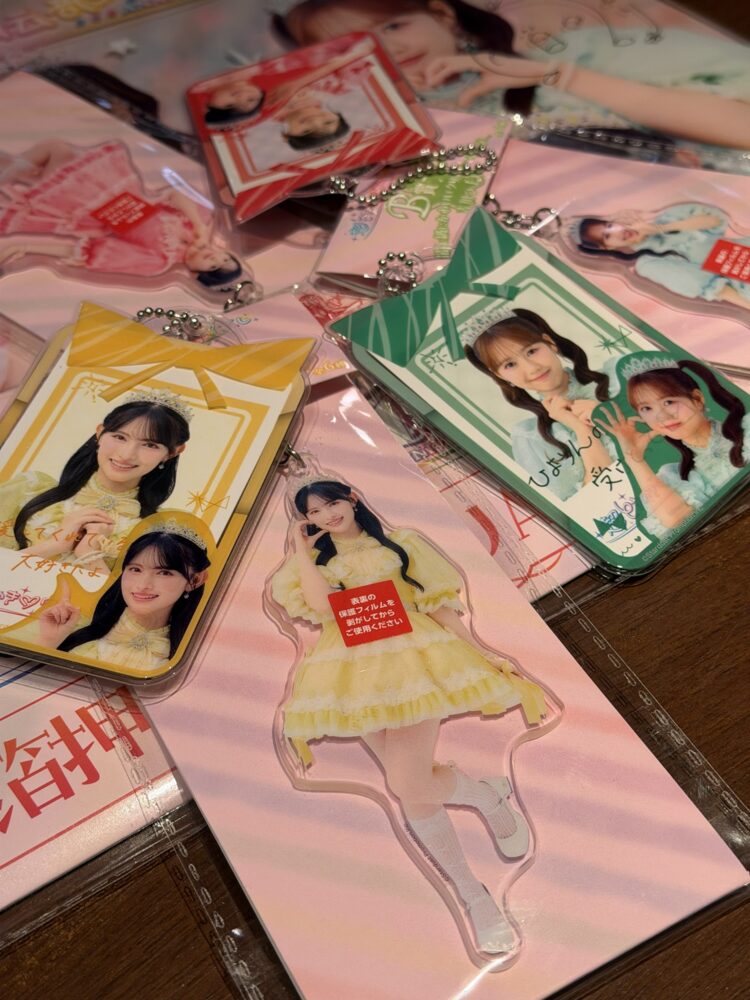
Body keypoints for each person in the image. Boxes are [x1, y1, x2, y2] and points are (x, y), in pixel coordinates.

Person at [271, 476, 549, 955]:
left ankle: (481, 846)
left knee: (405, 781)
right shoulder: (315, 561)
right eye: (314, 512)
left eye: (332, 503)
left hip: (413, 657)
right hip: (351, 670)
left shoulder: (402, 543)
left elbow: (439, 607)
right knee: (410, 787)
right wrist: (300, 548)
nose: (327, 515)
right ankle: (478, 866)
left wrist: (482, 651)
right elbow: (319, 605)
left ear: (352, 498)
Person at [273, 0, 750, 163]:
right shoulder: (380, 138)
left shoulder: (577, 52)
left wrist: (558, 75)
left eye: (394, 25)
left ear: (442, 13)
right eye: (358, 47)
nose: (389, 48)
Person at [0, 139, 242, 289]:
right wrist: (198, 224)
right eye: (224, 258)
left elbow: (90, 251)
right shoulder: (201, 224)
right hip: (114, 184)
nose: (215, 257)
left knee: (52, 153)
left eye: (213, 266)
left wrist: (26, 246)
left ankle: (7, 172)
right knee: (52, 154)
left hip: (86, 206)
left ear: (196, 273)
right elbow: (174, 194)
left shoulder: (158, 261)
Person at [0, 394, 190, 571]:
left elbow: (131, 597)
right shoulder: (27, 490)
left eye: (150, 445)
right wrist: (55, 545)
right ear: (99, 433)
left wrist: (90, 555)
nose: (126, 455)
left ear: (173, 452)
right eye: (120, 437)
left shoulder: (163, 532)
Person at [466, 309, 617, 500]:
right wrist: (581, 429)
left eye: (531, 351)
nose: (532, 368)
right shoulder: (530, 439)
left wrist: (610, 414)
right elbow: (595, 503)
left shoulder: (619, 377)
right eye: (510, 365)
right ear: (499, 375)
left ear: (549, 343)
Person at [595, 357, 749, 536]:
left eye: (668, 402)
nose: (662, 417)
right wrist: (634, 459)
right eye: (647, 409)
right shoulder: (676, 475)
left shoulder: (747, 429)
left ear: (697, 399)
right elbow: (679, 523)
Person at [29, 525, 210, 673]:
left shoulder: (193, 656)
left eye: (164, 573)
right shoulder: (73, 624)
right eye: (135, 569)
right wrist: (49, 641)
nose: (143, 585)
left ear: (194, 580)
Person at [568, 204, 750, 313]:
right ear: (607, 247)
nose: (618, 232)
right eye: (607, 236)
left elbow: (714, 220)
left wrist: (660, 228)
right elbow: (712, 288)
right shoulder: (650, 263)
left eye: (609, 226)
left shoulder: (668, 218)